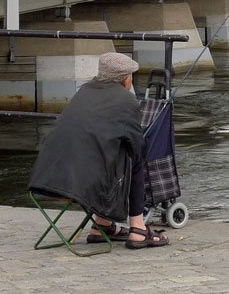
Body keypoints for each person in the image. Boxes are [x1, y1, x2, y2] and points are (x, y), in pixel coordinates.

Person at [28, 52, 169, 250]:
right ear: (126, 79)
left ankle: (101, 226)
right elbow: (137, 146)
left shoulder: (83, 91)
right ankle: (138, 228)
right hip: (82, 185)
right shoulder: (126, 101)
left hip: (47, 178)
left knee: (104, 157)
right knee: (133, 160)